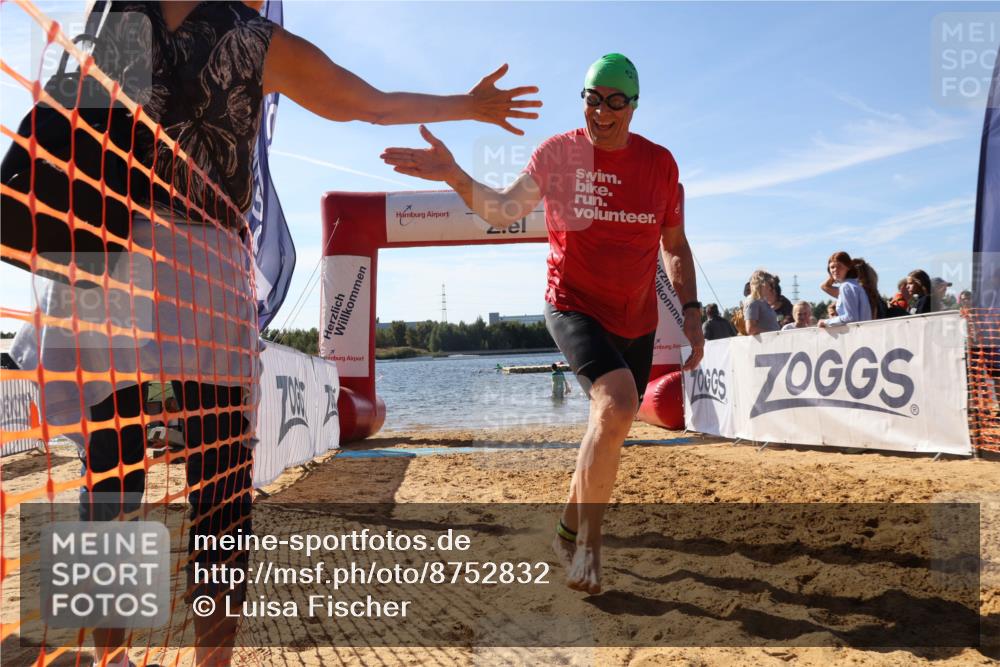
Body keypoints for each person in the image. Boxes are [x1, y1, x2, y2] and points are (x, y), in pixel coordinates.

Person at [11, 3, 542, 666]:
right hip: (199, 264)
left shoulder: (118, 15)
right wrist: (468, 105)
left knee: (111, 476)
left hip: (105, 261)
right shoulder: (253, 37)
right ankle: (208, 662)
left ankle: (109, 656)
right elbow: (366, 105)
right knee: (219, 489)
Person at [381, 53, 704, 595]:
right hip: (572, 303)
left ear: (634, 105)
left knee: (609, 425)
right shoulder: (558, 154)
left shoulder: (661, 166)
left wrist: (692, 315)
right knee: (619, 404)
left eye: (615, 101)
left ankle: (564, 529)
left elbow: (675, 246)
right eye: (592, 99)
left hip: (638, 318)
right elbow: (503, 210)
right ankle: (588, 550)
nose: (601, 112)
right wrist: (456, 174)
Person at [818, 251, 872, 327]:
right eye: (832, 267)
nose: (835, 270)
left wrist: (826, 322)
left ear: (848, 267)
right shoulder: (854, 285)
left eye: (839, 266)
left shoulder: (846, 286)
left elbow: (851, 317)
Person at [743, 270, 780, 335]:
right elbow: (750, 329)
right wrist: (772, 333)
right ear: (761, 284)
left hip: (771, 342)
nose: (770, 287)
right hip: (764, 343)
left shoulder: (763, 301)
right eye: (769, 284)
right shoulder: (752, 301)